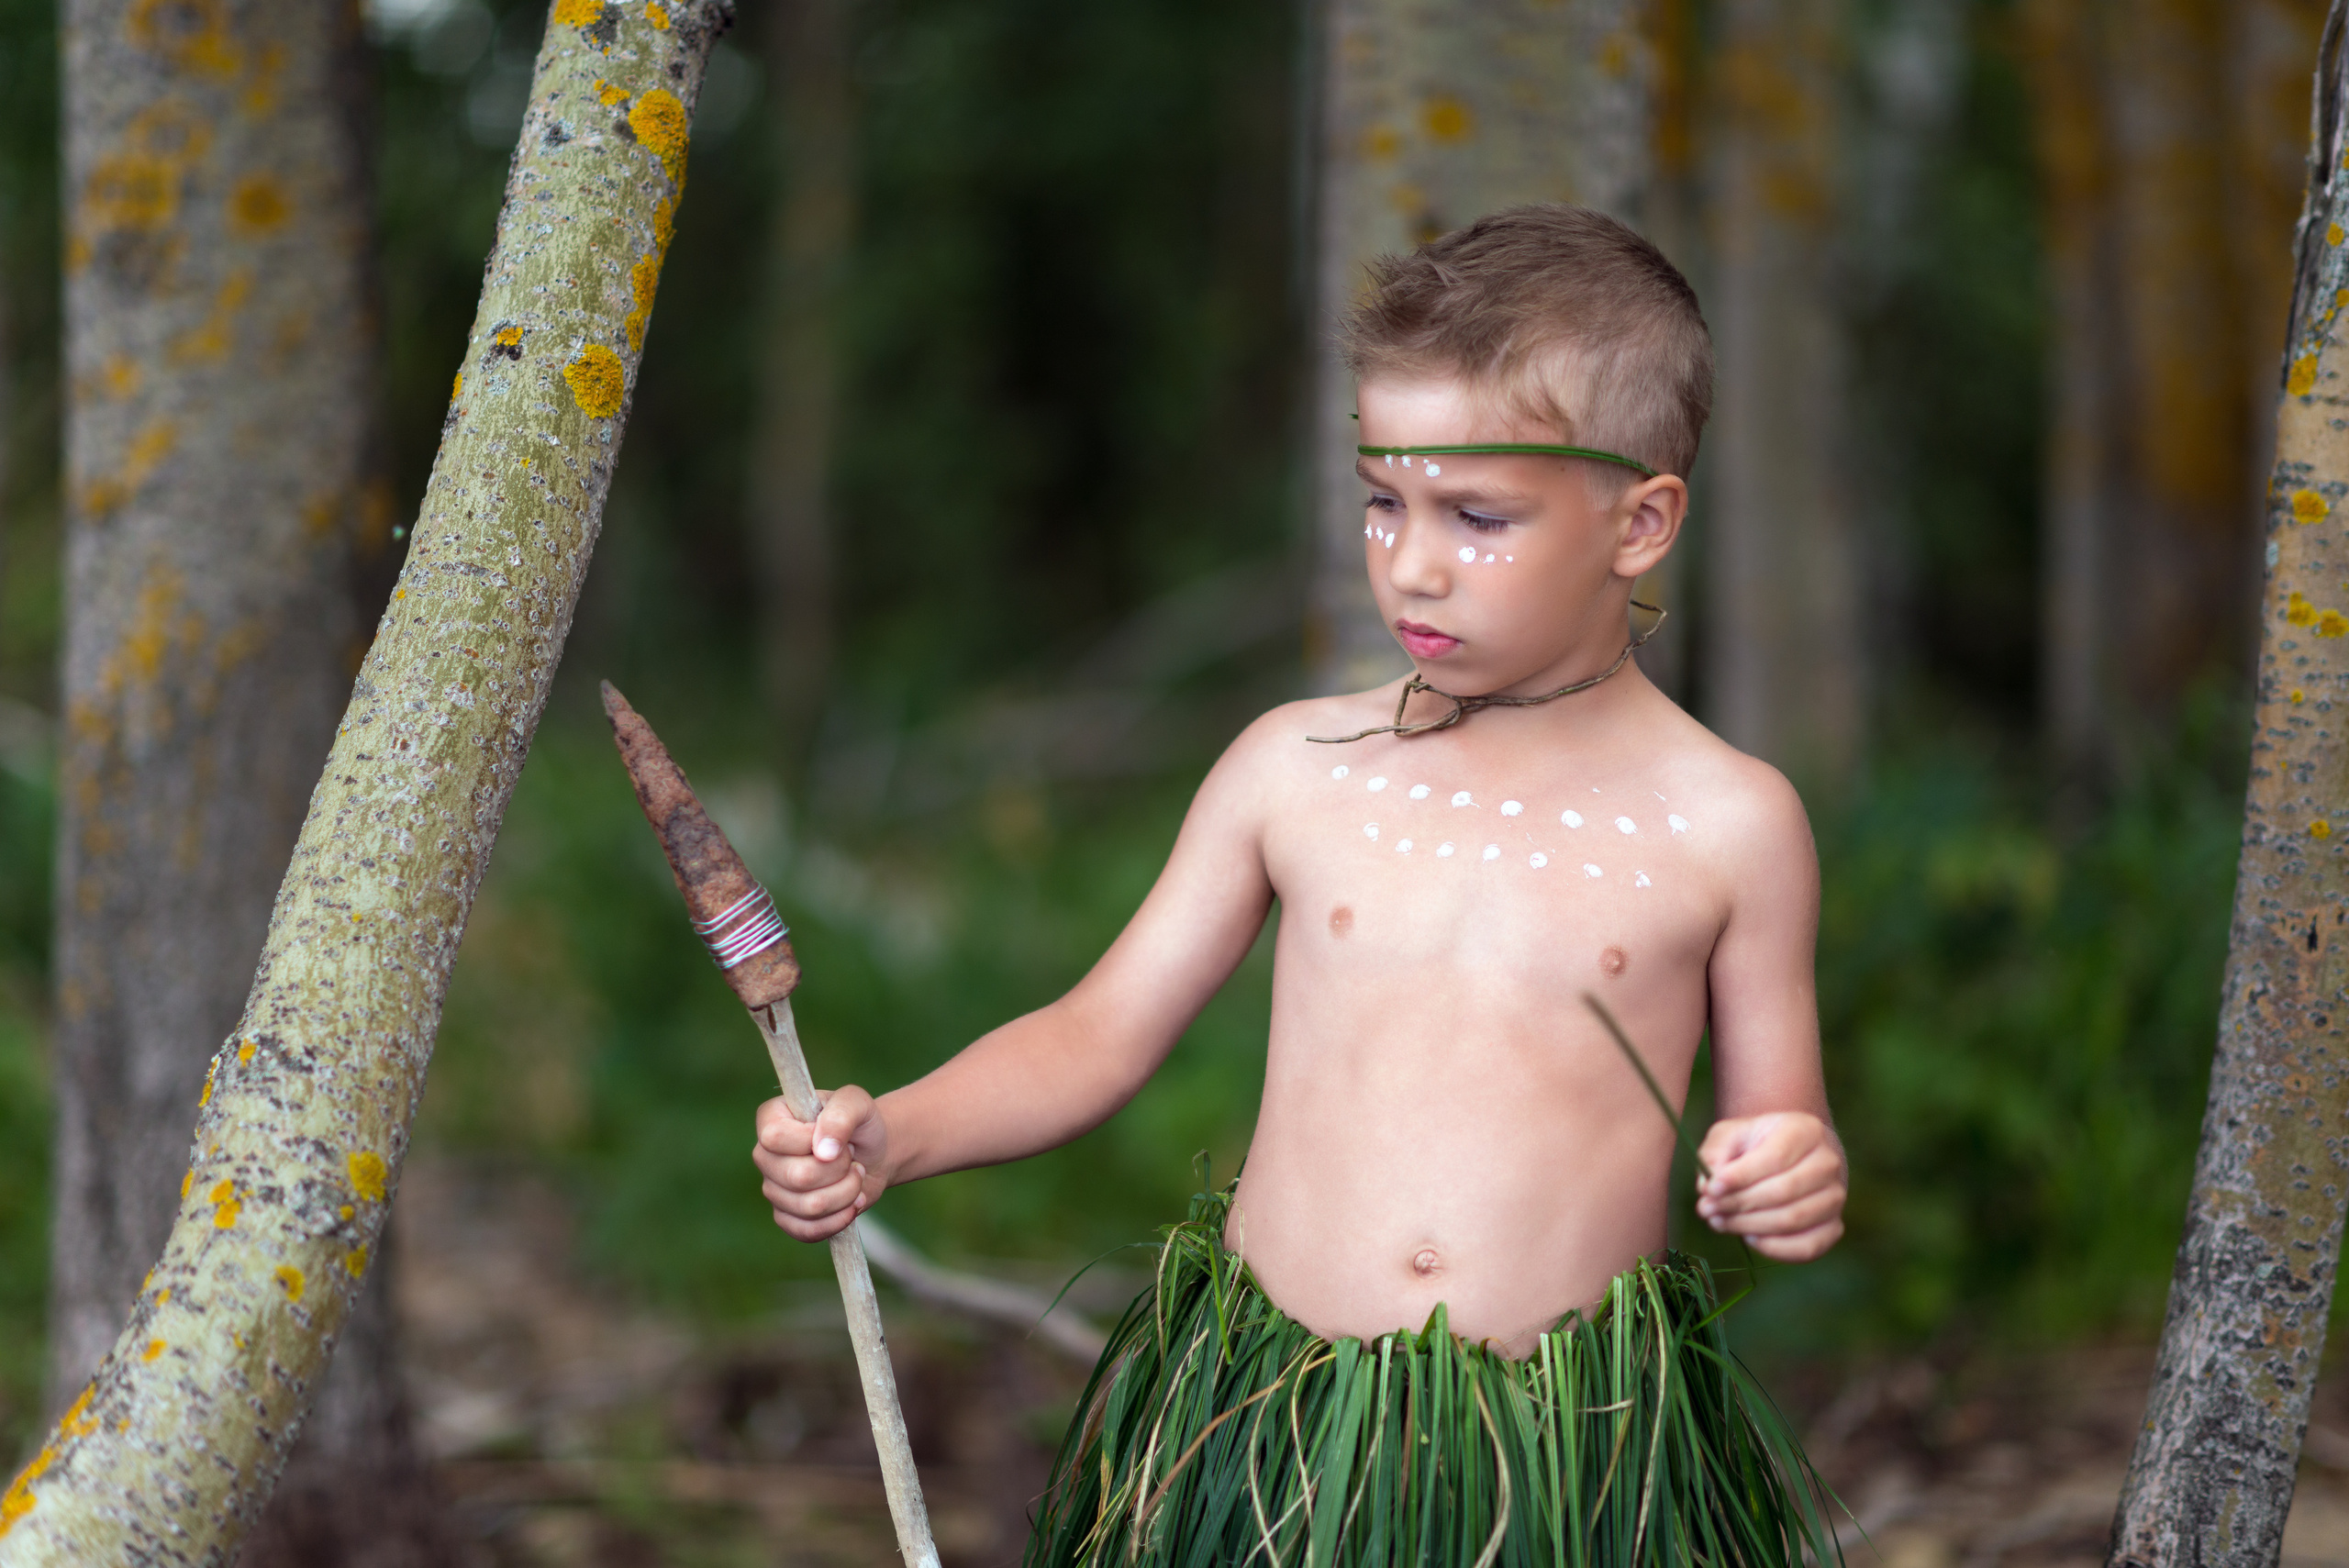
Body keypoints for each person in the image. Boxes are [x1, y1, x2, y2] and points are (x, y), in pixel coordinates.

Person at [751, 204, 1849, 1566]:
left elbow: (1779, 1122)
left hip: (1564, 1454)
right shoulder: (1299, 769)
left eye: (1479, 515)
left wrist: (1788, 1170)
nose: (1414, 560)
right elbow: (1102, 1030)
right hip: (1271, 1436)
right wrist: (894, 1135)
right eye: (1384, 500)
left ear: (1641, 523)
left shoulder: (1729, 821)